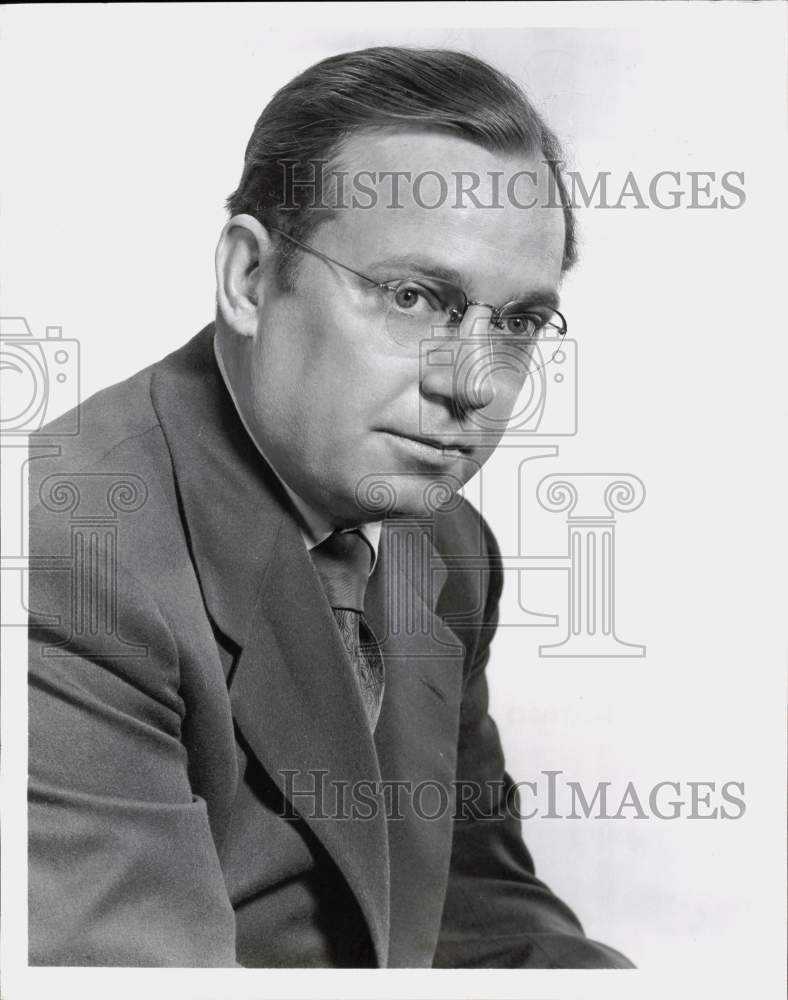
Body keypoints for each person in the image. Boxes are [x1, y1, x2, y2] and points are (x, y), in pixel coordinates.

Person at [28, 46, 633, 969]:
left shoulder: (446, 546)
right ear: (248, 281)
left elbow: (475, 913)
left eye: (516, 324)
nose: (472, 385)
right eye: (413, 296)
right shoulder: (62, 551)